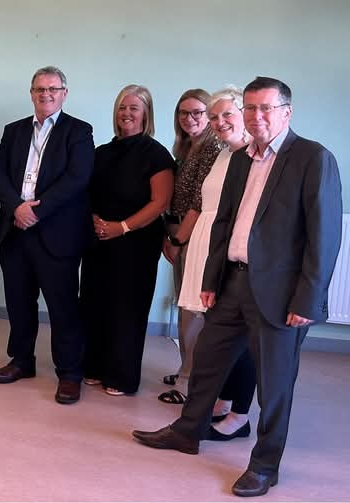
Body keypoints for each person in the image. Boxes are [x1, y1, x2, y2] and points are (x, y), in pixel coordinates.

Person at [132, 77, 343, 497]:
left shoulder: (313, 158)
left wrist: (309, 298)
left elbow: (325, 235)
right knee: (207, 361)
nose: (257, 117)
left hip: (282, 296)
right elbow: (224, 223)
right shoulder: (241, 158)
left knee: (275, 384)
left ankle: (265, 465)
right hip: (232, 283)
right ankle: (187, 432)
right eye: (250, 108)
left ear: (286, 112)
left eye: (266, 108)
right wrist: (211, 280)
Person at [0, 66, 94, 404]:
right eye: (39, 89)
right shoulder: (14, 130)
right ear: (31, 93)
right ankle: (21, 361)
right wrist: (17, 207)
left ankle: (69, 373)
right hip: (15, 230)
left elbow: (77, 178)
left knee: (63, 308)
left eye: (52, 89)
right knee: (19, 304)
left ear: (65, 92)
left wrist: (36, 209)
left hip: (56, 234)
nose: (45, 94)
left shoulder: (78, 131)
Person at [80, 85, 175, 396]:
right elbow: (86, 192)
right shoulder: (101, 153)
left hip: (135, 243)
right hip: (99, 240)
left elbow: (159, 203)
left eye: (134, 108)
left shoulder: (156, 154)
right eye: (122, 107)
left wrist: (121, 227)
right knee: (94, 303)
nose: (127, 114)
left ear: (145, 113)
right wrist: (96, 221)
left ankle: (121, 376)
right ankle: (92, 366)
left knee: (127, 308)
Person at [176, 86, 256, 440]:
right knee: (218, 331)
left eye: (227, 114)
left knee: (238, 336)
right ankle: (223, 401)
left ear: (244, 114)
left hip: (230, 253)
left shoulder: (257, 157)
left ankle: (240, 415)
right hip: (207, 244)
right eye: (214, 117)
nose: (219, 122)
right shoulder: (225, 154)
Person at [159, 88, 224, 401]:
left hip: (195, 237)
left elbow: (200, 201)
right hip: (181, 234)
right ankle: (187, 369)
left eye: (198, 112)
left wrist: (177, 238)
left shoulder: (212, 147)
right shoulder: (186, 148)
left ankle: (190, 382)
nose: (190, 119)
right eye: (183, 113)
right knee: (186, 308)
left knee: (192, 312)